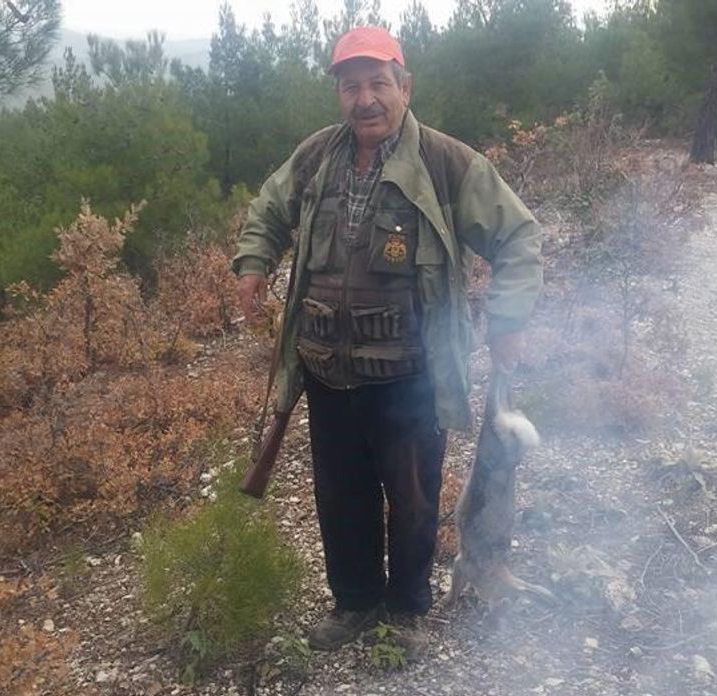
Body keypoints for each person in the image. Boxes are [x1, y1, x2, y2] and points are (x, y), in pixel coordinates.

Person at [232, 26, 543, 654]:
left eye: (378, 83)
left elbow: (518, 237)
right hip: (326, 369)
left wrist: (507, 320)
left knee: (413, 497)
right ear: (339, 95)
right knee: (340, 495)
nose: (365, 99)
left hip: (411, 376)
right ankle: (354, 603)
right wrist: (254, 262)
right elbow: (269, 209)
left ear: (405, 86)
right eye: (351, 87)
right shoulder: (317, 156)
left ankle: (405, 611)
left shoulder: (447, 163)